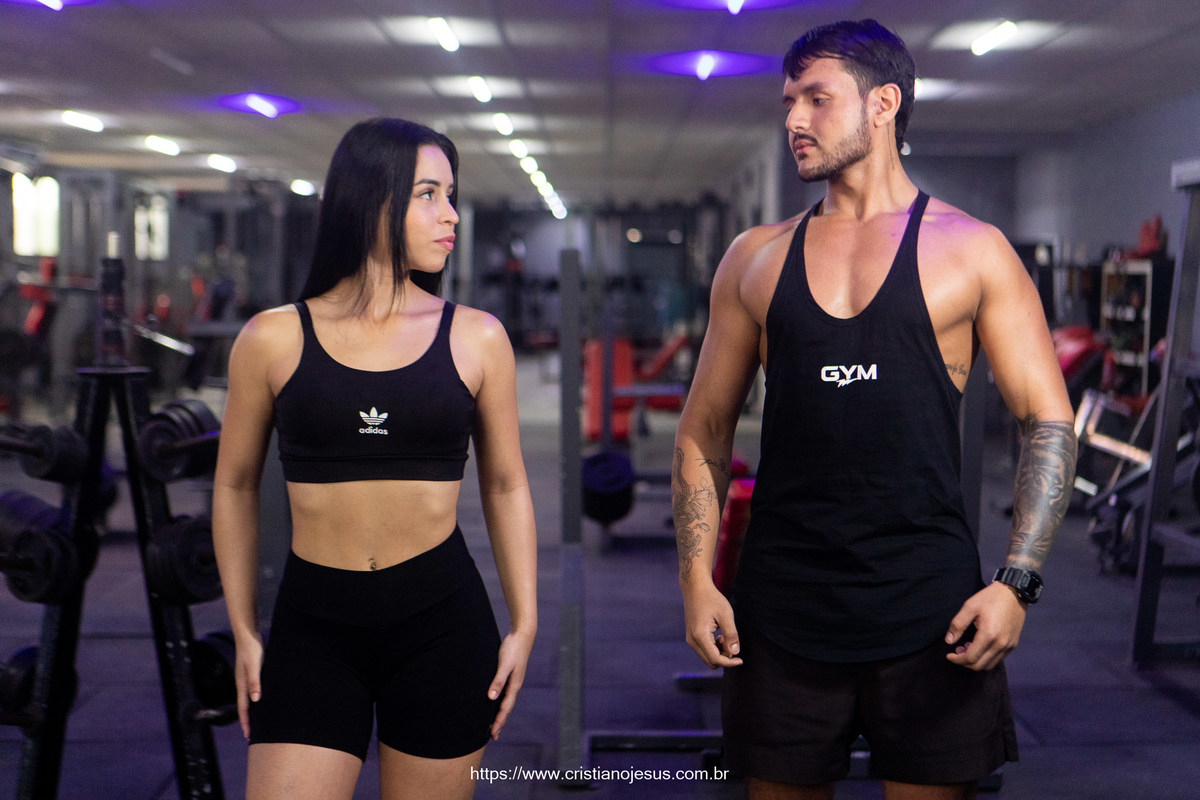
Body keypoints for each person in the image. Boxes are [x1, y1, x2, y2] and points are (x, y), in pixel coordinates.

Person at [672, 20, 1076, 800]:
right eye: (788, 102)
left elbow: (1047, 421)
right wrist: (696, 578)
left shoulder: (972, 249)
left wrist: (1017, 583)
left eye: (816, 99)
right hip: (782, 605)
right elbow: (705, 429)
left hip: (933, 609)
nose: (794, 119)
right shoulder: (756, 256)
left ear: (883, 103)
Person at [212, 118, 538, 800]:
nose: (451, 215)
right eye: (428, 194)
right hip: (314, 625)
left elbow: (507, 484)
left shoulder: (477, 338)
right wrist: (242, 627)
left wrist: (525, 620)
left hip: (442, 624)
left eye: (451, 195)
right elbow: (235, 485)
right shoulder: (273, 338)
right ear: (371, 200)